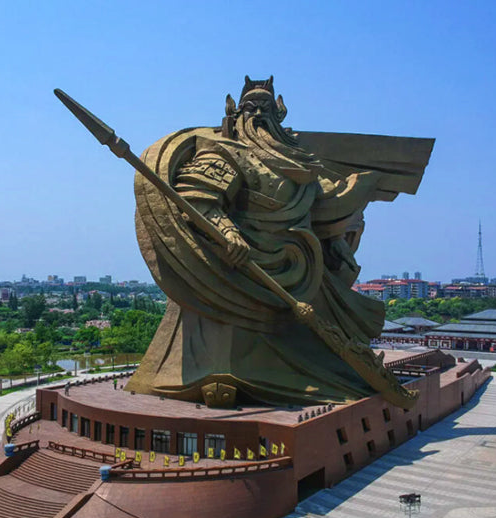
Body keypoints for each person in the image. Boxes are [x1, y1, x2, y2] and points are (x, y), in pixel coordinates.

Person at [128, 76, 433, 407]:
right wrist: (229, 233)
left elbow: (322, 207)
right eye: (250, 107)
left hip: (297, 271)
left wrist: (357, 188)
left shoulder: (297, 163)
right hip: (242, 272)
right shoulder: (227, 152)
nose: (258, 114)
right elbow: (199, 199)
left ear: (280, 113)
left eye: (265, 107)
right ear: (234, 112)